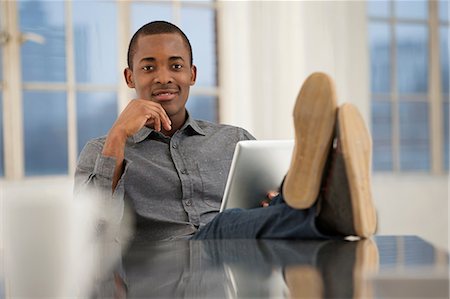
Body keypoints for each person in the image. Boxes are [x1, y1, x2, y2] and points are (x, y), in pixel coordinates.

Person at [74, 20, 377, 242]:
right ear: (130, 77)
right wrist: (117, 137)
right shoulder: (101, 149)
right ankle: (333, 203)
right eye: (149, 68)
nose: (164, 77)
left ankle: (327, 175)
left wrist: (271, 200)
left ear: (192, 75)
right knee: (222, 224)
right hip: (172, 260)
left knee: (284, 199)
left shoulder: (233, 139)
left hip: (241, 249)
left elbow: (264, 208)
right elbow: (89, 234)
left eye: (176, 67)